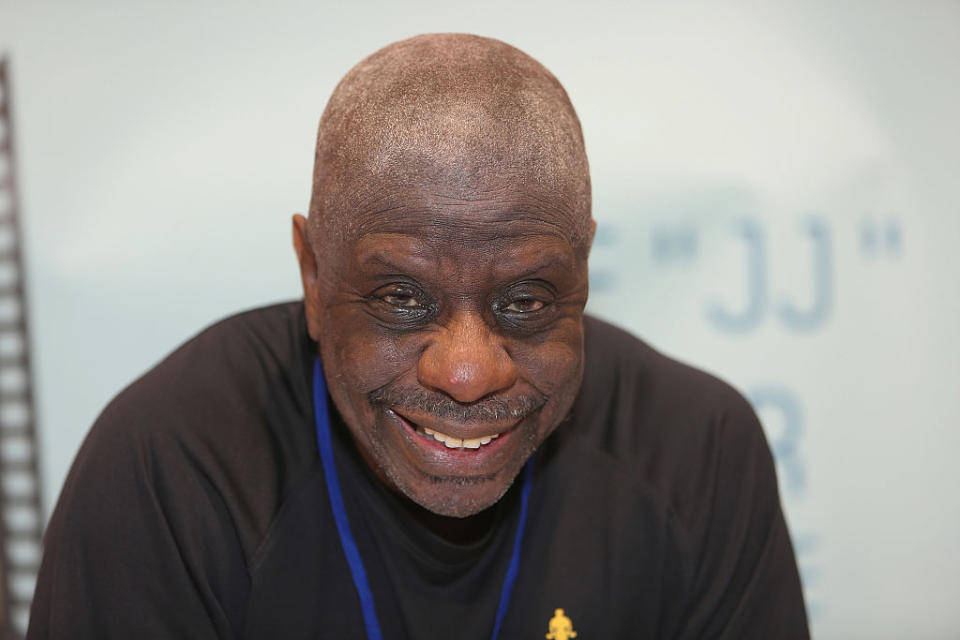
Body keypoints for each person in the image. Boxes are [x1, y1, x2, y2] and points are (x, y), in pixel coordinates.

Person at [27, 34, 809, 638]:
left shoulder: (695, 453)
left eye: (527, 300)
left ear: (584, 268)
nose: (467, 372)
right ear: (312, 272)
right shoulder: (174, 467)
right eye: (401, 298)